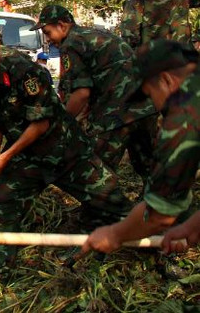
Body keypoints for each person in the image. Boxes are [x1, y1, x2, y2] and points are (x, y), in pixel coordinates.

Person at [0, 31, 130, 269]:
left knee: (115, 204)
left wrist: (5, 157)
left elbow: (41, 123)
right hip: (29, 159)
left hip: (66, 152)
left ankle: (167, 249)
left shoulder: (24, 72)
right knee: (3, 206)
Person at [82, 40, 200, 255]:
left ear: (166, 81)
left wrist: (114, 234)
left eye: (150, 94)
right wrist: (193, 225)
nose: (154, 105)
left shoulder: (183, 119)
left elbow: (160, 216)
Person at [32, 5, 156, 177]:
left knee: (97, 171)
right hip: (147, 104)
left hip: (117, 111)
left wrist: (61, 122)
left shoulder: (71, 43)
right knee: (148, 162)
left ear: (61, 25)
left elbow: (82, 93)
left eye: (47, 32)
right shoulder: (95, 34)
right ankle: (160, 201)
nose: (48, 39)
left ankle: (107, 203)